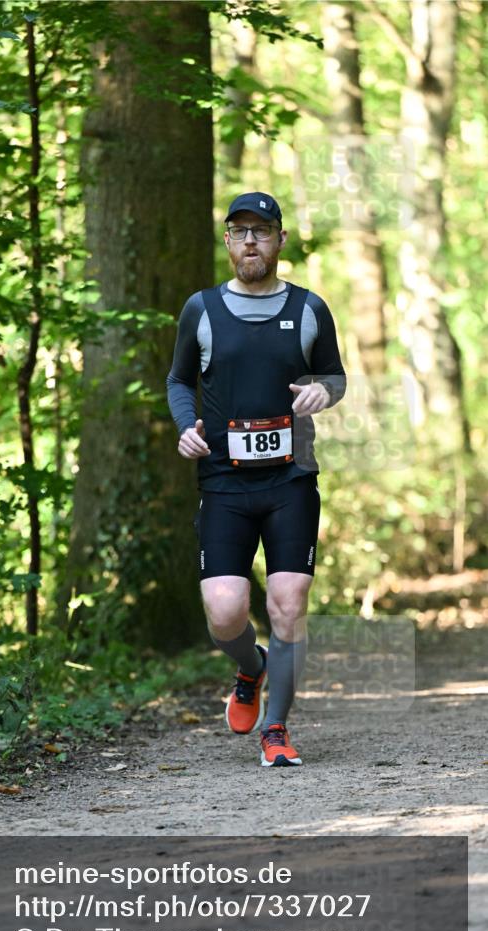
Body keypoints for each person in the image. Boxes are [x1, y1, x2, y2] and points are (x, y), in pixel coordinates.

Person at [166, 192, 346, 767]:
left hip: (292, 478)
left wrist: (324, 390)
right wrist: (184, 427)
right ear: (227, 241)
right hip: (222, 480)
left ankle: (276, 729)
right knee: (225, 610)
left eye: (262, 231)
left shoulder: (311, 308)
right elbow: (177, 381)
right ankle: (252, 666)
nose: (251, 241)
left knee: (288, 600)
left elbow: (335, 377)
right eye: (240, 231)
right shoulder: (201, 309)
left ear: (279, 241)